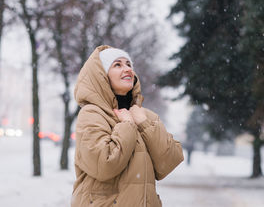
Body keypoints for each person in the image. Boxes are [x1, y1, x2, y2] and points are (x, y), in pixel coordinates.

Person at [71, 45, 184, 207]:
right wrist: (127, 125)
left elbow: (169, 161)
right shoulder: (92, 114)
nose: (127, 69)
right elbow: (103, 165)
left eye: (128, 65)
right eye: (117, 65)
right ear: (101, 75)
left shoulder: (143, 115)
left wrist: (144, 124)